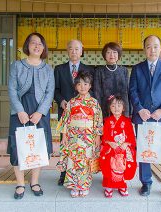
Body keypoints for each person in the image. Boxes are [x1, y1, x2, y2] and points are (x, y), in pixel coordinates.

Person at [129, 35, 161, 202]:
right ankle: (146, 182)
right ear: (144, 49)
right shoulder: (137, 68)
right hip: (143, 117)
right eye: (148, 47)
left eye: (155, 46)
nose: (152, 50)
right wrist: (139, 109)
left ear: (160, 48)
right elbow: (132, 90)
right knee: (144, 150)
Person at [7, 32, 55, 199]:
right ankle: (20, 183)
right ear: (27, 46)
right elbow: (12, 90)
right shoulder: (17, 66)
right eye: (33, 43)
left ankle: (34, 182)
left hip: (39, 112)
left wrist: (40, 112)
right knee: (17, 146)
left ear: (43, 48)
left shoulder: (48, 69)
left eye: (40, 43)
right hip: (19, 111)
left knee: (38, 147)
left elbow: (50, 93)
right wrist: (19, 110)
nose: (36, 46)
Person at [56, 71, 103, 198]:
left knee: (86, 161)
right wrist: (64, 135)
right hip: (73, 137)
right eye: (79, 84)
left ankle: (84, 185)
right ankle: (74, 185)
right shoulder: (71, 102)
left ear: (90, 86)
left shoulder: (94, 103)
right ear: (76, 86)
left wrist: (98, 136)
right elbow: (65, 119)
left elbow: (98, 120)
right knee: (73, 161)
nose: (82, 87)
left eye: (86, 84)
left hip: (88, 137)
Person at [54, 39, 94, 186]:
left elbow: (93, 90)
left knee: (82, 146)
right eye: (71, 49)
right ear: (67, 50)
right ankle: (63, 173)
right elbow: (55, 89)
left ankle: (82, 174)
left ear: (82, 51)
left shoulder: (89, 69)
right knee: (65, 144)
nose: (74, 51)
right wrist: (61, 100)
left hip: (83, 116)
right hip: (66, 112)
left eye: (77, 49)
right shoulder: (59, 69)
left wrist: (85, 103)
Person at [99, 95, 136, 198]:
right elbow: (104, 136)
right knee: (108, 164)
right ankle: (108, 186)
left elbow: (131, 136)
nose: (116, 108)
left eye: (119, 105)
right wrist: (110, 143)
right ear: (110, 108)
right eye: (113, 106)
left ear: (123, 108)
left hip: (123, 148)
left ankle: (122, 186)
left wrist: (126, 144)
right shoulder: (107, 121)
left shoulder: (127, 121)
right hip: (111, 147)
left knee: (122, 166)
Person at [93, 42, 130, 118]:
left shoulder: (124, 70)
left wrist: (129, 110)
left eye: (114, 52)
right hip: (104, 109)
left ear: (118, 55)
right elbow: (97, 92)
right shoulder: (99, 71)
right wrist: (98, 111)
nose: (112, 55)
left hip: (122, 110)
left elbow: (128, 91)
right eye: (108, 52)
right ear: (104, 55)